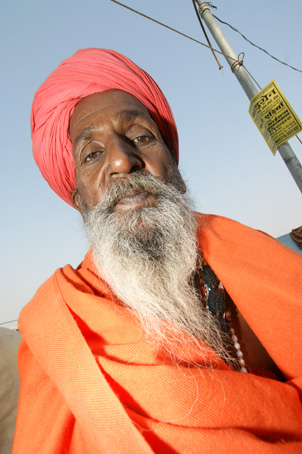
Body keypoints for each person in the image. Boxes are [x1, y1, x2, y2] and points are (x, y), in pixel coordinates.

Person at [13, 49, 302, 453]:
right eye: (92, 154)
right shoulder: (65, 331)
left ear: (176, 172)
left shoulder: (251, 256)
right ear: (80, 202)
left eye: (141, 137)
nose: (121, 160)